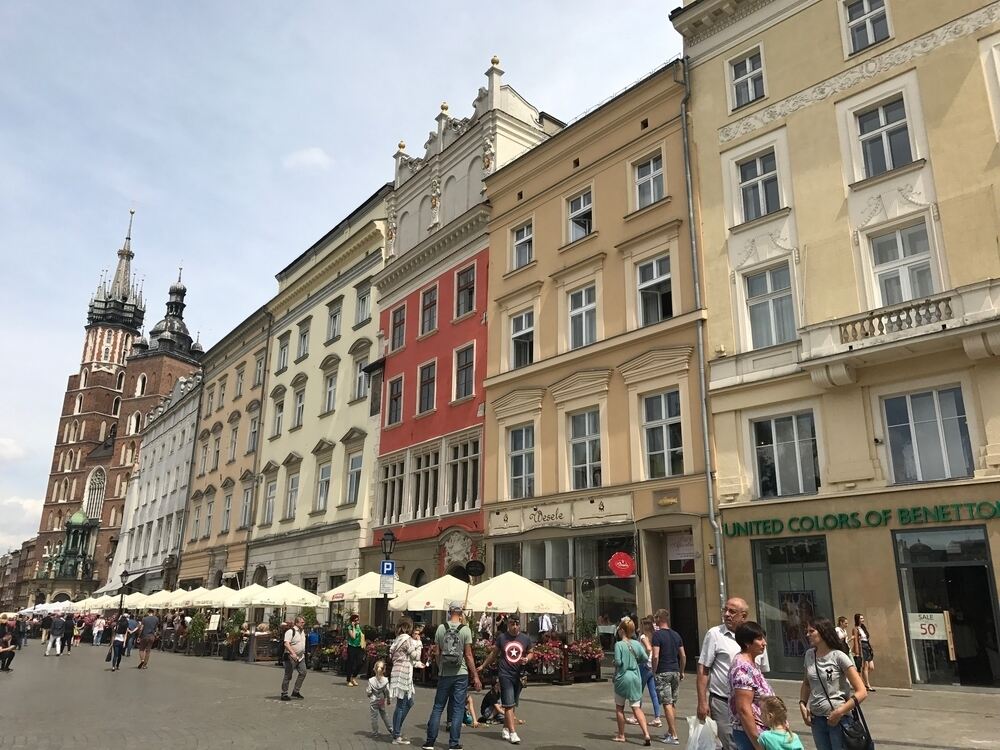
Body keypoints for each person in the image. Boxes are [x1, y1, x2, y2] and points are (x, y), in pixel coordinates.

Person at [697, 597, 770, 750]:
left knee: (754, 742)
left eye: (732, 611)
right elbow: (704, 668)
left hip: (753, 706)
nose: (726, 614)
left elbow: (762, 673)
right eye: (725, 610)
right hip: (723, 702)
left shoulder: (757, 638)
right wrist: (702, 701)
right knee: (732, 745)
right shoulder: (715, 634)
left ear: (743, 616)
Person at [421, 601, 482, 750]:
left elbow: (437, 652)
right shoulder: (465, 630)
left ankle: (430, 742)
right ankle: (453, 743)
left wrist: (441, 666)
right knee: (458, 708)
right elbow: (468, 655)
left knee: (438, 707)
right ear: (461, 613)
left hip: (444, 674)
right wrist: (475, 676)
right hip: (460, 674)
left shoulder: (441, 628)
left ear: (449, 612)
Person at [799, 618, 868, 750]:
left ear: (823, 632)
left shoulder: (839, 656)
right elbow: (807, 683)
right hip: (817, 719)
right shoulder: (809, 655)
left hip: (839, 719)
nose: (807, 635)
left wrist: (840, 712)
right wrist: (802, 703)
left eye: (811, 631)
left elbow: (862, 692)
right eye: (807, 631)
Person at [478, 615, 533, 745]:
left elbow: (531, 652)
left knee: (513, 703)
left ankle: (505, 728)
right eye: (512, 624)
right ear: (508, 624)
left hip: (519, 675)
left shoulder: (525, 638)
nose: (514, 627)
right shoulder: (502, 638)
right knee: (508, 704)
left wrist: (527, 658)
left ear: (519, 625)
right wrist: (483, 665)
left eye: (517, 624)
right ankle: (513, 733)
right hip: (505, 674)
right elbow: (493, 654)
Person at [729, 621, 775, 750]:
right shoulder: (742, 668)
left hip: (763, 730)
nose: (764, 643)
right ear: (747, 642)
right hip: (750, 734)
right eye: (759, 639)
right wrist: (757, 743)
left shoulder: (751, 664)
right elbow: (744, 709)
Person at [612, 617, 652, 746]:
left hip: (622, 676)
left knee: (619, 707)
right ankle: (646, 733)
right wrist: (636, 661)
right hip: (635, 676)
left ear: (622, 631)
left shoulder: (619, 645)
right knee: (636, 707)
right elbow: (645, 658)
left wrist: (615, 662)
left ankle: (621, 735)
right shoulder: (636, 643)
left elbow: (618, 662)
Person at [652, 608, 686, 745]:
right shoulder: (676, 635)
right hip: (675, 671)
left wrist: (654, 671)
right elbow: (683, 655)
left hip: (663, 671)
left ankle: (674, 735)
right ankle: (671, 731)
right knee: (672, 703)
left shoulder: (657, 635)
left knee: (666, 703)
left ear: (659, 619)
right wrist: (682, 671)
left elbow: (655, 655)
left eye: (655, 618)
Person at [389, 619, 425, 745]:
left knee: (409, 702)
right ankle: (396, 734)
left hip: (397, 672)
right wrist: (419, 643)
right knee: (401, 705)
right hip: (403, 674)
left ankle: (396, 729)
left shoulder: (397, 639)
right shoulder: (407, 640)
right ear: (408, 628)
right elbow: (416, 655)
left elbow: (393, 654)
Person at [280, 615, 307, 701]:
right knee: (288, 675)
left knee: (303, 672)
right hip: (290, 656)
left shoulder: (302, 631)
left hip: (300, 657)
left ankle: (296, 691)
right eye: (302, 622)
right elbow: (286, 644)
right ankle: (284, 693)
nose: (303, 624)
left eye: (304, 622)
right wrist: (293, 653)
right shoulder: (290, 631)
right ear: (296, 623)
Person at [368, 659, 393, 737]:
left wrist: (369, 695)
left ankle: (375, 732)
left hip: (373, 699)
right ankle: (390, 728)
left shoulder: (371, 680)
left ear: (374, 669)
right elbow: (387, 691)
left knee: (374, 716)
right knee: (384, 714)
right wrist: (388, 699)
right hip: (381, 699)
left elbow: (369, 691)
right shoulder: (385, 680)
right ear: (384, 670)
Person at [851, 614, 875, 692]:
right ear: (857, 619)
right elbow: (856, 642)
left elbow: (867, 638)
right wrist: (857, 652)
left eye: (862, 618)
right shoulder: (855, 629)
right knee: (865, 666)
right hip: (862, 647)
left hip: (867, 646)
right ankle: (867, 685)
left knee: (871, 667)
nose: (862, 619)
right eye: (861, 618)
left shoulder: (863, 627)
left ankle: (863, 681)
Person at [345, 613, 365, 687]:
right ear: (353, 621)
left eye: (358, 620)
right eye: (356, 620)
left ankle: (354, 677)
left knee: (360, 662)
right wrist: (353, 627)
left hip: (359, 647)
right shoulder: (350, 627)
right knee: (351, 664)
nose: (358, 621)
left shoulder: (358, 627)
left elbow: (361, 635)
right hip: (352, 647)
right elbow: (353, 636)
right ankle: (348, 680)